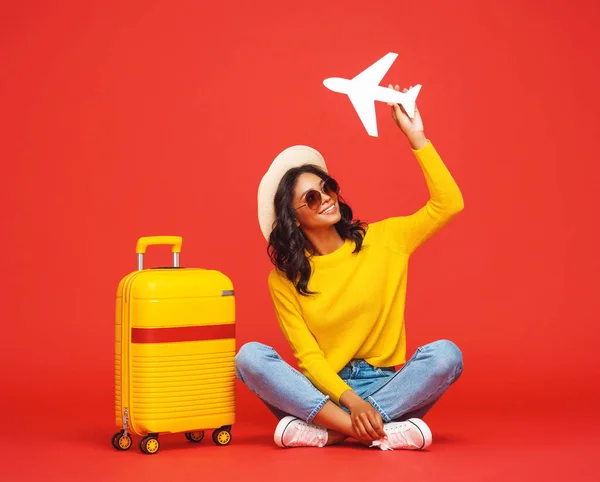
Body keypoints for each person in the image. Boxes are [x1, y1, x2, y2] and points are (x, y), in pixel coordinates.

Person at [235, 85, 465, 450]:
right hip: (323, 394)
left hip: (387, 385)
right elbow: (309, 359)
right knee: (249, 358)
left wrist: (416, 137)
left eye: (327, 188)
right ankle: (374, 431)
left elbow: (449, 204)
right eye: (311, 197)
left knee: (447, 355)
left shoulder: (386, 239)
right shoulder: (284, 280)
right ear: (293, 221)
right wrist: (350, 404)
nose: (325, 198)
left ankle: (327, 434)